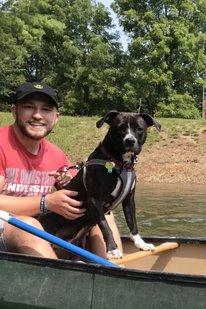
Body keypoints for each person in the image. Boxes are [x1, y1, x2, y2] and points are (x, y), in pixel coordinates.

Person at [0, 82, 121, 258]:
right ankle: (59, 282)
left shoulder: (56, 155)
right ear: (14, 111)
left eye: (46, 110)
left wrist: (68, 186)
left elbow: (81, 197)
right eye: (28, 107)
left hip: (40, 225)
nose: (37, 115)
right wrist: (46, 202)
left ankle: (116, 274)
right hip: (12, 227)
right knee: (28, 226)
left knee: (102, 211)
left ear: (56, 117)